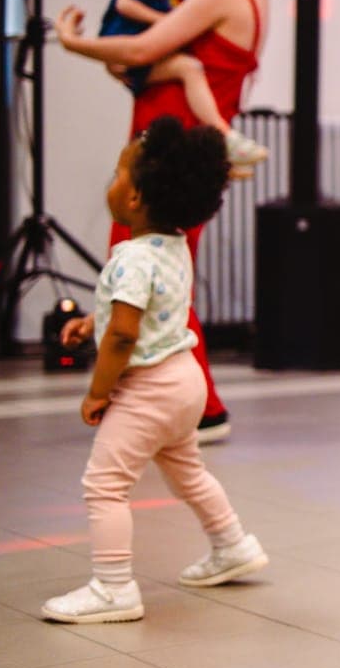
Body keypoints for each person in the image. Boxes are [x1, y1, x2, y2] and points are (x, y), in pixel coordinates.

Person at [57, 0, 302, 445]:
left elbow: (143, 50)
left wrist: (74, 43)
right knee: (164, 277)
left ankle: (195, 408)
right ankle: (185, 404)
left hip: (170, 153)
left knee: (146, 273)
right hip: (182, 147)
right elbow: (159, 61)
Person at [42, 118, 267, 623]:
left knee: (104, 484)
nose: (111, 185)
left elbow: (124, 335)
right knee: (187, 469)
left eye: (117, 175)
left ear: (136, 199)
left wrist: (99, 391)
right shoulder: (174, 244)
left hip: (147, 389)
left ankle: (114, 587)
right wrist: (90, 321)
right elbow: (147, 310)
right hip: (184, 379)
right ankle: (232, 543)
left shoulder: (128, 259)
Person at [99, 0, 268, 176]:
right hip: (135, 59)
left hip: (145, 73)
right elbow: (125, 4)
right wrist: (168, 24)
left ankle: (222, 140)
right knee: (189, 68)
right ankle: (223, 136)